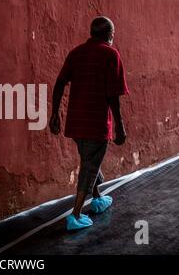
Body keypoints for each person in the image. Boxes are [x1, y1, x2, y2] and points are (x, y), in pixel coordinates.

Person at [50, 16, 129, 231]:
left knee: (89, 159)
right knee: (90, 165)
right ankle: (75, 214)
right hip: (96, 122)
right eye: (112, 33)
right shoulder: (111, 55)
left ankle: (98, 198)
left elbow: (59, 83)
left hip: (76, 122)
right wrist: (120, 125)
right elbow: (113, 94)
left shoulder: (76, 53)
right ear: (109, 34)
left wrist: (54, 113)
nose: (113, 37)